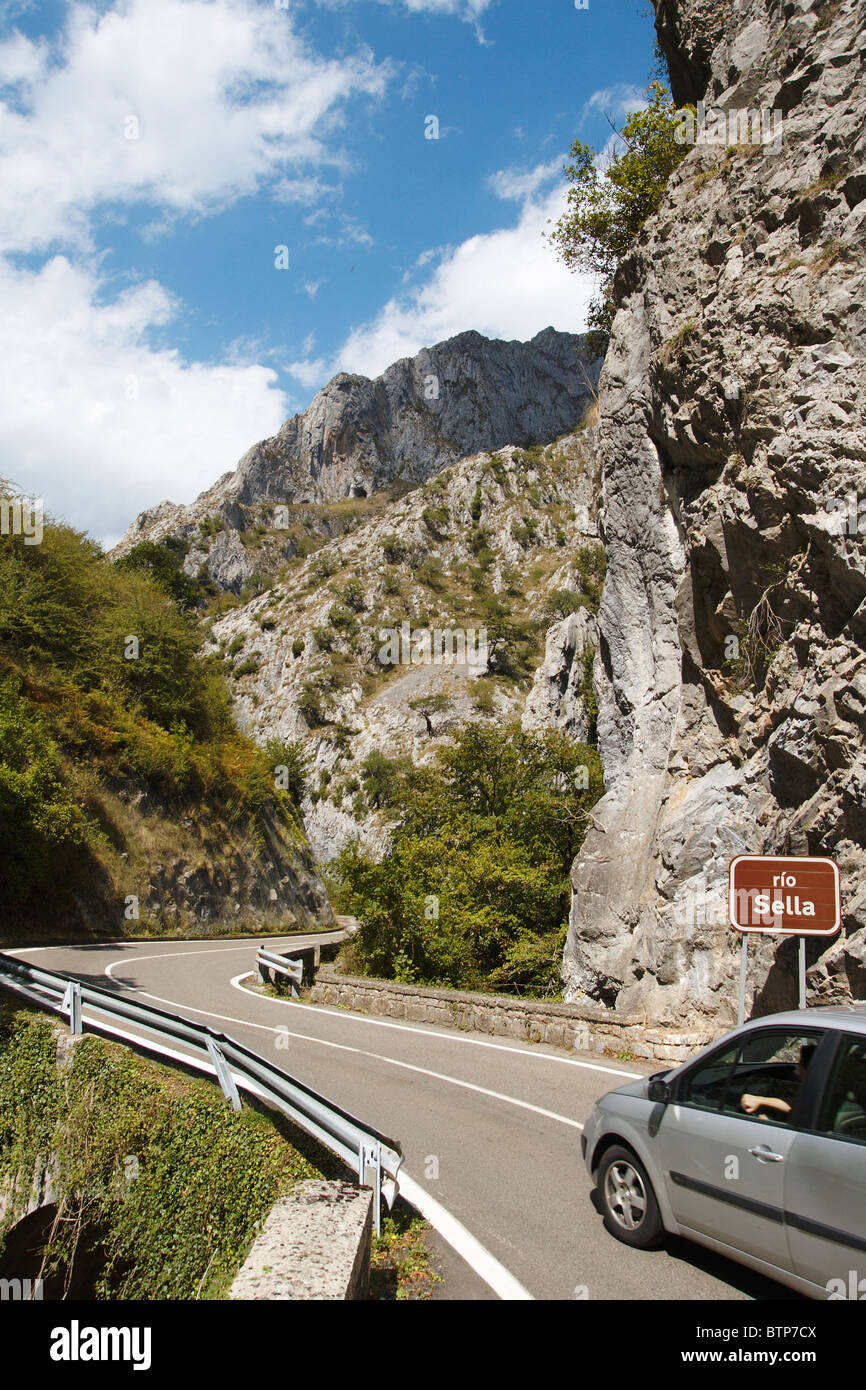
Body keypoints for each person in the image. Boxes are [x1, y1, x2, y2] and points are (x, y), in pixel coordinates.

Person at [740, 1043, 816, 1118]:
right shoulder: (819, 1088)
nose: (798, 1067)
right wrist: (760, 1101)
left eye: (799, 1063)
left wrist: (759, 1101)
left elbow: (798, 1107)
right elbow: (795, 1104)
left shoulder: (817, 1091)